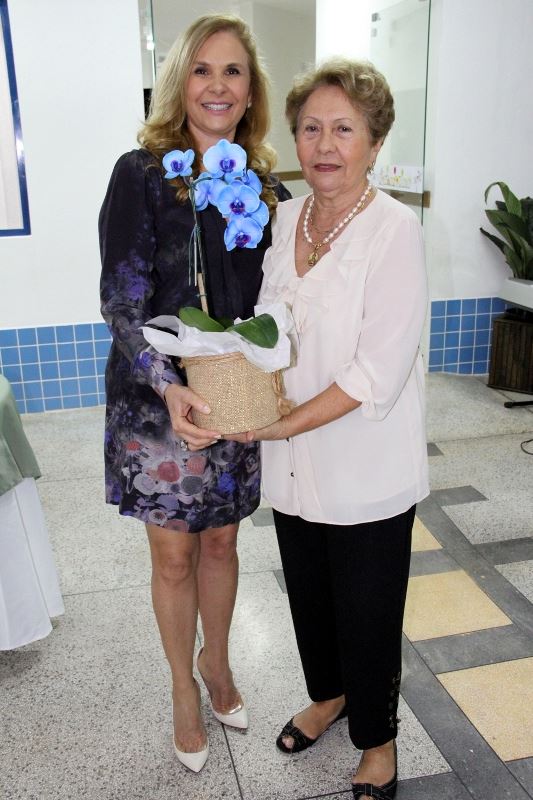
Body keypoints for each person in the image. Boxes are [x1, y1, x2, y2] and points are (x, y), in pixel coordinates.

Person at [226, 59, 428, 799]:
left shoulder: (393, 229)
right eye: (310, 127)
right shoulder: (282, 219)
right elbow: (261, 329)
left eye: (344, 128)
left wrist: (277, 428)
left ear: (374, 143)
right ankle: (328, 694)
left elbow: (378, 368)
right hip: (293, 463)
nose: (324, 143)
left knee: (368, 606)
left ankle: (377, 742)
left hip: (363, 460)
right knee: (309, 592)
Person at [99, 14, 289, 773]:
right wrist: (168, 385)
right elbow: (121, 296)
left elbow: (271, 299)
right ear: (180, 81)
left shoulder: (263, 184)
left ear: (250, 93)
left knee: (222, 539)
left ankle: (219, 664)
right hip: (157, 402)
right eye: (203, 70)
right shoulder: (143, 172)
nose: (217, 85)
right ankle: (183, 688)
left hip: (232, 395)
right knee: (174, 555)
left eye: (233, 72)